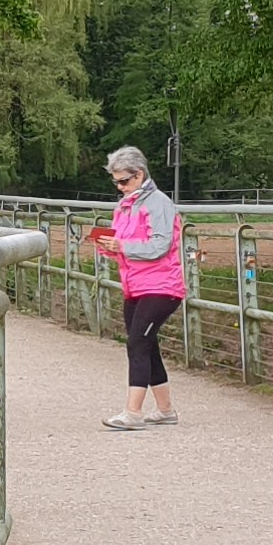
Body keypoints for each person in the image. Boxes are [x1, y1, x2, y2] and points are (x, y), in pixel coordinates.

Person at [84, 146, 183, 429]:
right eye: (115, 181)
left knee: (137, 341)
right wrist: (108, 247)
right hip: (136, 285)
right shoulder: (124, 206)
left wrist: (122, 246)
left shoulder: (159, 203)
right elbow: (125, 246)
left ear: (139, 175)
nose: (120, 186)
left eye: (124, 181)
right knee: (146, 344)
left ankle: (133, 412)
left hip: (162, 285)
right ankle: (165, 410)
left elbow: (160, 245)